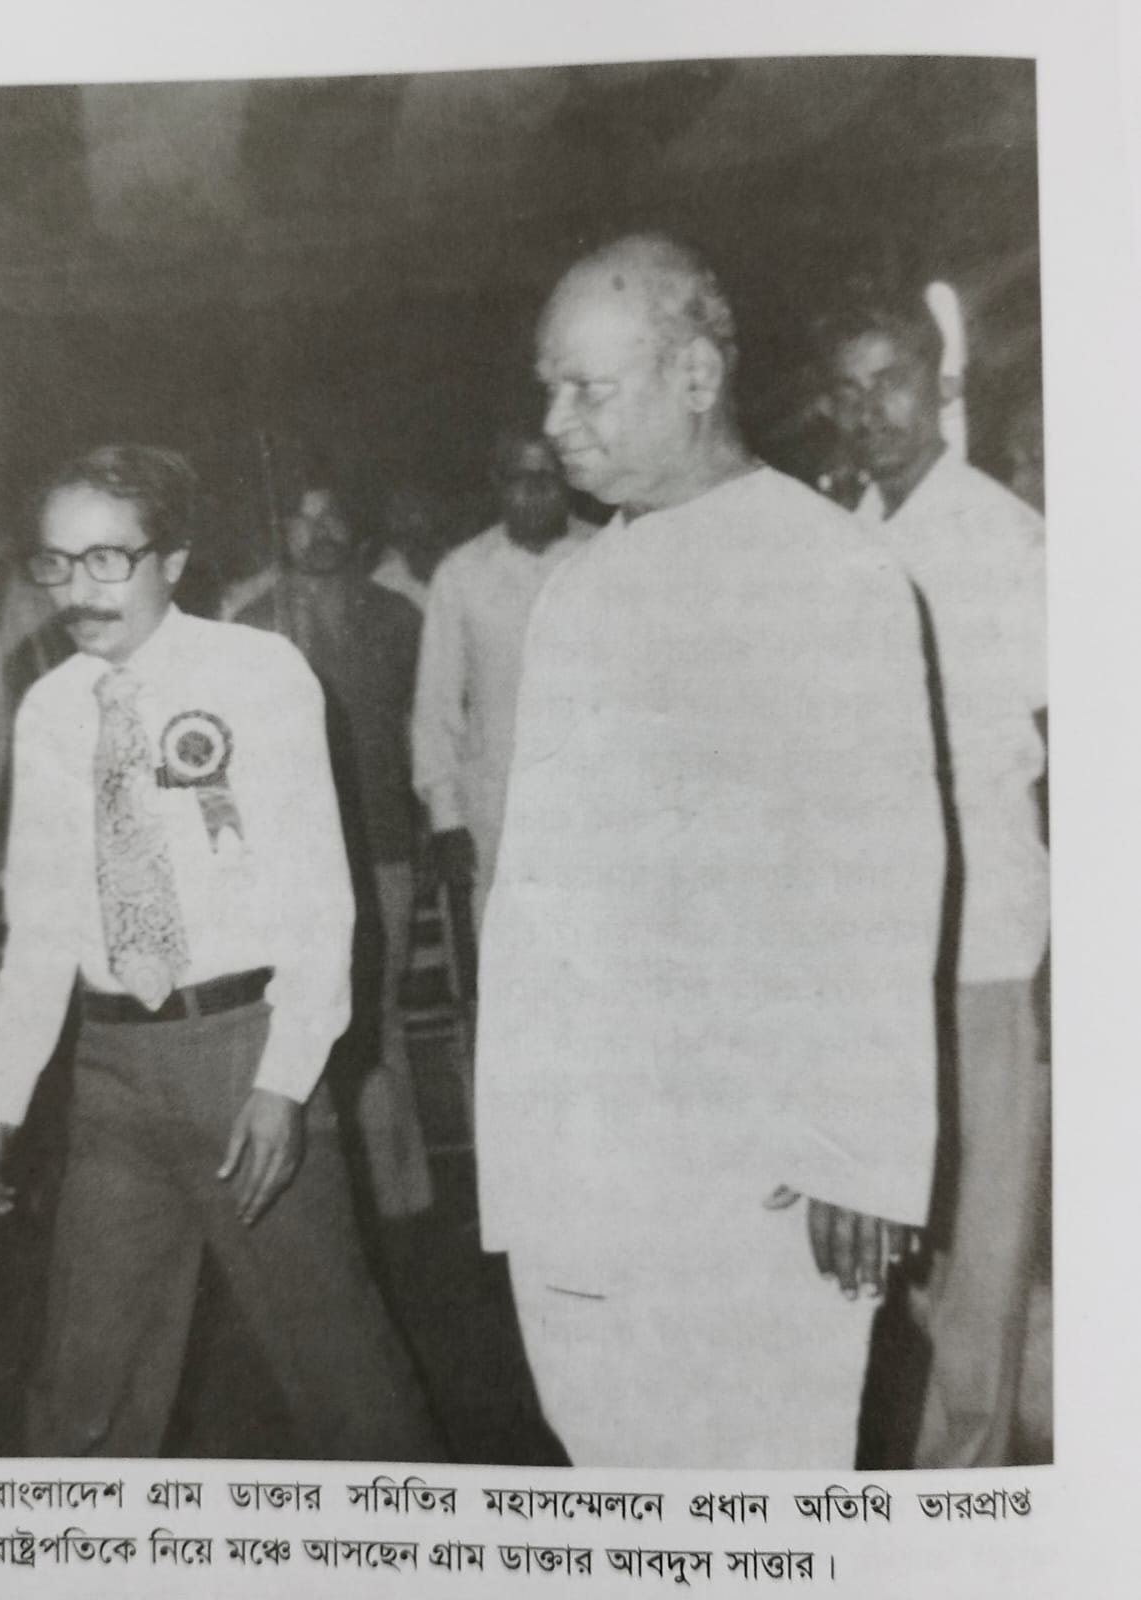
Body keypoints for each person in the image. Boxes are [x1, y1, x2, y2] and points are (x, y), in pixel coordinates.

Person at [475, 234, 945, 1469]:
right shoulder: (575, 589)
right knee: (614, 1474)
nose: (554, 424)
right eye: (547, 389)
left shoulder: (826, 568)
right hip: (587, 1149)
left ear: (694, 376)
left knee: (762, 1487)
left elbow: (883, 874)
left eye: (587, 389)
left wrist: (858, 1150)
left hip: (753, 1158)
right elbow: (537, 893)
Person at [0, 444, 444, 1459]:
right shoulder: (49, 709)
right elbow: (41, 927)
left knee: (344, 1383)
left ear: (173, 560)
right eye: (57, 563)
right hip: (110, 1076)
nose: (79, 591)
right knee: (83, 1392)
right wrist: (1, 1107)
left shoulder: (258, 674)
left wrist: (284, 1082)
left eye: (108, 559)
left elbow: (321, 902)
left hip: (240, 1053)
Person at [822, 291, 1049, 1468]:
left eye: (891, 382)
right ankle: (958, 1441)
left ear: (938, 387)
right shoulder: (839, 541)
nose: (870, 411)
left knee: (987, 1220)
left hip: (987, 934)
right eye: (847, 390)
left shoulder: (1004, 538)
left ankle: (966, 1474)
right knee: (903, 1215)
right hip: (874, 939)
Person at [227, 472, 433, 1220]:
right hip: (287, 864)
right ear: (280, 532)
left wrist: (430, 824)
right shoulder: (251, 624)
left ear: (356, 527)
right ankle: (321, 1197)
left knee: (379, 1016)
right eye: (302, 519)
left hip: (381, 847)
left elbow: (428, 729)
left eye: (332, 516)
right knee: (296, 1021)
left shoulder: (399, 616)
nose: (319, 533)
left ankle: (401, 1200)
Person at [412, 430, 594, 934]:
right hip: (499, 811)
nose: (534, 492)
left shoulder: (609, 554)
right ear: (497, 485)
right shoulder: (461, 573)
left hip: (595, 807)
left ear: (569, 482)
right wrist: (447, 821)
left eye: (548, 477)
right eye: (519, 478)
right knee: (510, 953)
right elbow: (436, 705)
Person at [371, 484, 451, 613]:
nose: (415, 519)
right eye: (403, 514)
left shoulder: (455, 561)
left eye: (421, 510)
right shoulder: (387, 576)